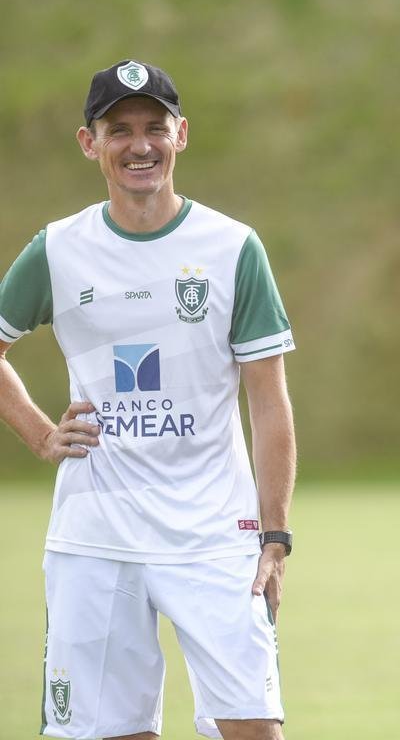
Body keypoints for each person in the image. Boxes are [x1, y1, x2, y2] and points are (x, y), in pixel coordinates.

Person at [0, 60, 297, 740]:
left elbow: (270, 404)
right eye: (119, 130)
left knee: (253, 728)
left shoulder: (231, 248)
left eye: (155, 128)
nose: (140, 145)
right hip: (96, 537)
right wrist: (42, 434)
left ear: (181, 135)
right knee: (110, 732)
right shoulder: (58, 248)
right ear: (89, 142)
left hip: (215, 534)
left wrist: (275, 536)